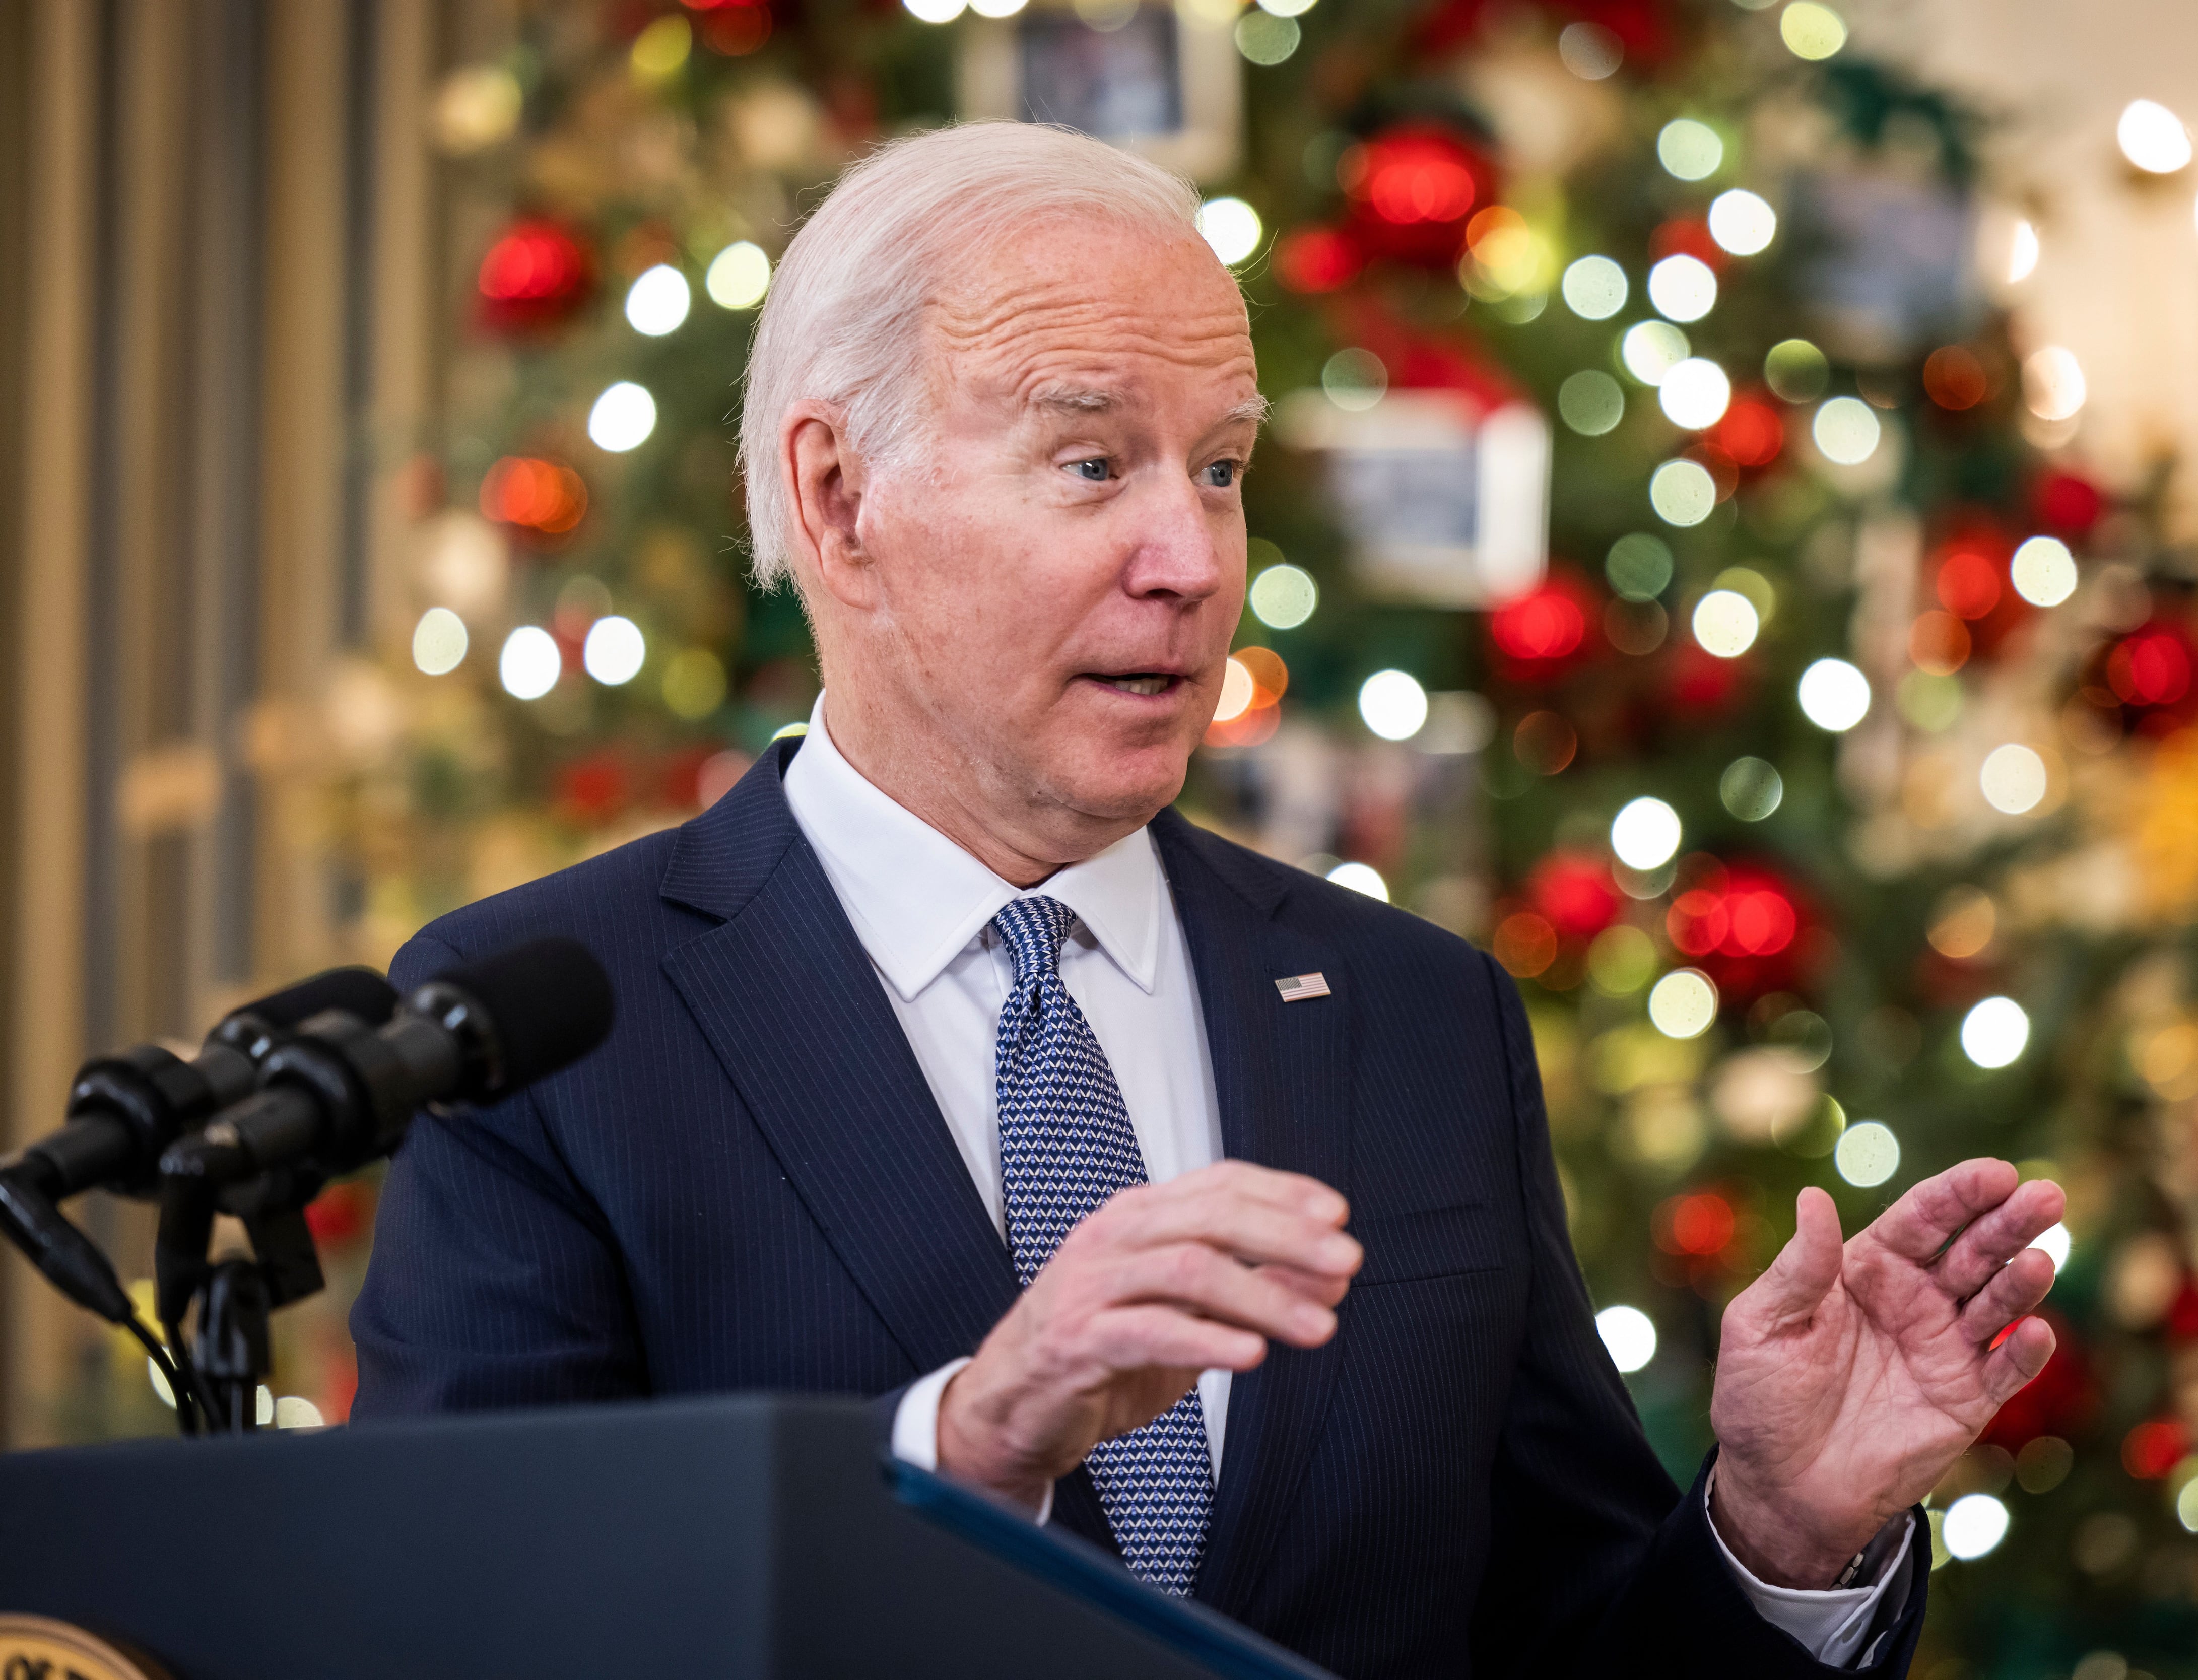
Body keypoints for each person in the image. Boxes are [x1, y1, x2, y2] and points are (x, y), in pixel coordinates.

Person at [351, 121, 2064, 1678]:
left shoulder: (1416, 1016)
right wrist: (968, 1451)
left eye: (1224, 468)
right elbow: (471, 1630)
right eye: (1093, 464)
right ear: (836, 497)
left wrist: (1776, 1538)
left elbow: (1560, 1649)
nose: (1192, 558)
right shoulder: (533, 1019)